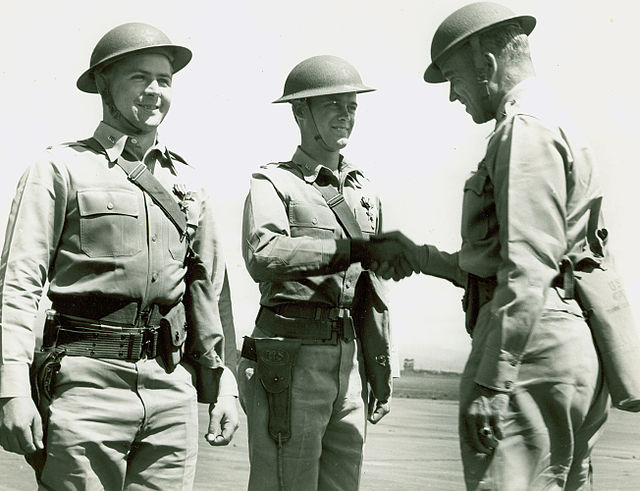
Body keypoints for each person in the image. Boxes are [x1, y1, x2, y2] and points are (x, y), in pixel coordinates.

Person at [378, 2, 610, 489]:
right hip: (561, 342)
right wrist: (422, 257)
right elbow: (525, 259)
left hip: (526, 350)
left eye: (453, 77)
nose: (452, 96)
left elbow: (527, 268)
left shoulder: (522, 129)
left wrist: (492, 380)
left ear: (486, 65)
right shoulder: (555, 123)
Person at [0, 22, 239, 490]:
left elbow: (209, 292)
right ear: (104, 83)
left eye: (164, 81)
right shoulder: (59, 168)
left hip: (170, 389)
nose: (154, 91)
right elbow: (19, 283)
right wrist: (11, 387)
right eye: (139, 77)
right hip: (83, 384)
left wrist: (222, 383)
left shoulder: (187, 183)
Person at [239, 55, 417, 491]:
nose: (345, 114)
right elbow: (263, 255)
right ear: (300, 113)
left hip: (348, 362)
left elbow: (372, 288)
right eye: (332, 104)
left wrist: (380, 362)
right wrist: (349, 248)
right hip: (290, 357)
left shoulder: (363, 189)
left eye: (352, 105)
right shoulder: (274, 183)